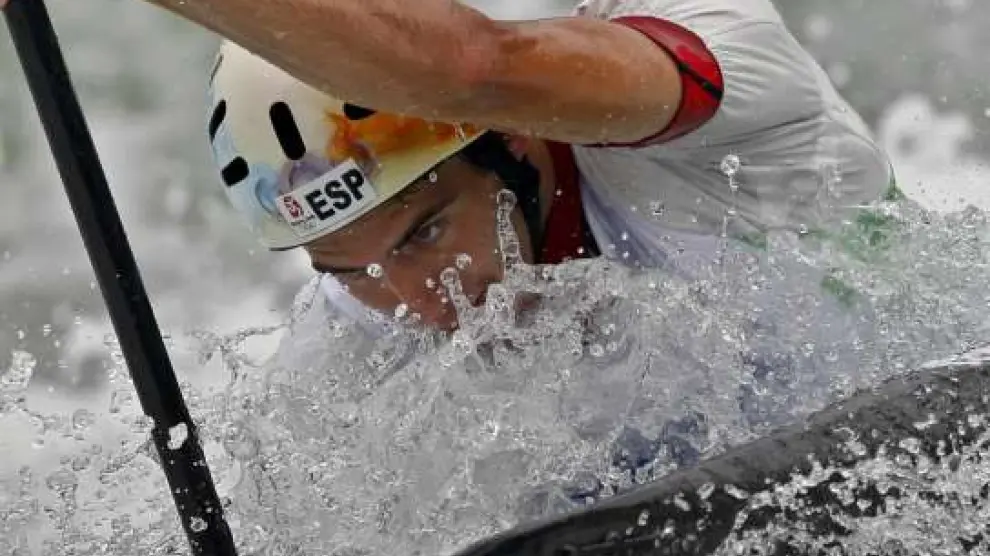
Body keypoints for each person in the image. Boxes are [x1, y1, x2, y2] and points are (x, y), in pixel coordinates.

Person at [182, 0, 893, 334]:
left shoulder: (718, 103)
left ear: (515, 137)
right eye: (348, 272)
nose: (419, 307)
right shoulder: (357, 334)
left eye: (425, 234)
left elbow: (477, 70)